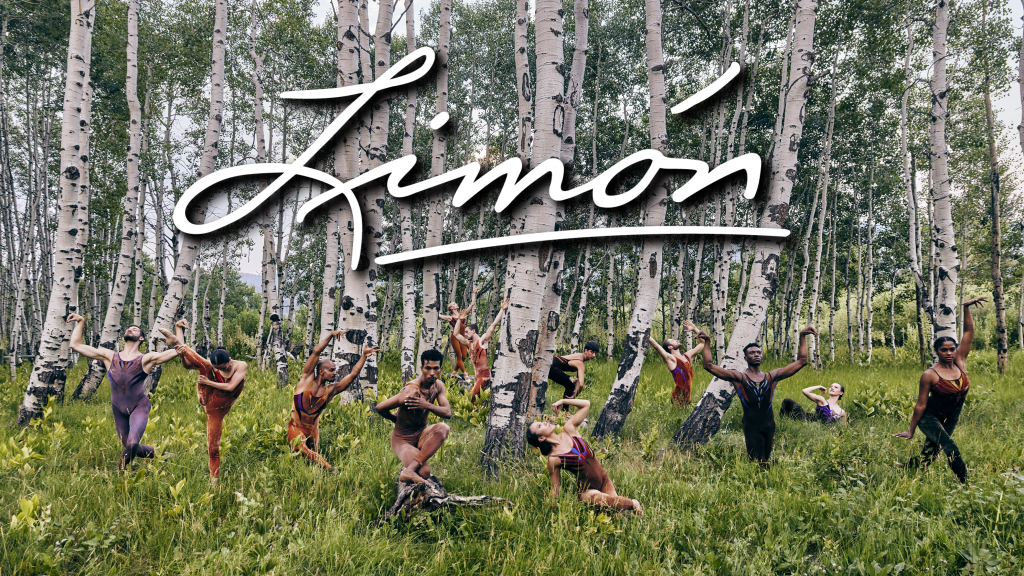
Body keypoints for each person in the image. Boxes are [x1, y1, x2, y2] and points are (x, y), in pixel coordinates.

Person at [66, 313, 180, 471]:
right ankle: (164, 455)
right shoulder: (109, 356)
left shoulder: (146, 359)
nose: (130, 330)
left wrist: (177, 333)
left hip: (138, 406)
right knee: (131, 446)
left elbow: (178, 351)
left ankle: (121, 469)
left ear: (141, 339)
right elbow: (75, 345)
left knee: (132, 444)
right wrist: (80, 321)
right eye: (129, 329)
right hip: (118, 408)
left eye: (135, 329)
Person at [893, 297, 985, 484]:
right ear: (937, 351)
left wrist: (966, 307)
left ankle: (909, 468)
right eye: (944, 350)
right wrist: (911, 431)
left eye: (952, 349)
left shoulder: (960, 362)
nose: (949, 353)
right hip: (929, 418)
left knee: (933, 450)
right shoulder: (930, 374)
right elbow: (921, 404)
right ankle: (965, 482)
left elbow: (969, 331)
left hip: (951, 416)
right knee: (949, 446)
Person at [695, 326, 817, 465]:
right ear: (745, 357)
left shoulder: (772, 377)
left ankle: (778, 462)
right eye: (752, 353)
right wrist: (707, 342)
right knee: (758, 463)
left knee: (764, 461)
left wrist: (802, 336)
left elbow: (802, 361)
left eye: (758, 352)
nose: (756, 354)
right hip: (751, 427)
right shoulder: (739, 378)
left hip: (769, 426)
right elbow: (709, 366)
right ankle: (780, 461)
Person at [160, 320, 247, 479]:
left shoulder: (240, 365)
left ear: (229, 360)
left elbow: (230, 387)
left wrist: (209, 382)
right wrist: (181, 357)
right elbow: (188, 366)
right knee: (204, 365)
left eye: (222, 367)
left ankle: (214, 481)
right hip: (206, 398)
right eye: (217, 368)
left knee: (213, 449)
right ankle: (178, 343)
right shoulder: (212, 366)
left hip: (218, 409)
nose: (220, 370)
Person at [527, 399, 642, 515]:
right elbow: (555, 489)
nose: (545, 422)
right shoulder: (554, 459)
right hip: (586, 490)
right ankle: (633, 503)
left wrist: (563, 401)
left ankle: (638, 514)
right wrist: (550, 513)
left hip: (604, 480)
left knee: (614, 510)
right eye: (540, 426)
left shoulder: (569, 429)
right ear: (541, 438)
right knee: (608, 502)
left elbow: (586, 404)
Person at [286, 329, 377, 471]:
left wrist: (364, 356)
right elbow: (316, 353)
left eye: (335, 370)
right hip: (295, 427)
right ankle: (330, 469)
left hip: (312, 430)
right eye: (332, 370)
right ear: (322, 372)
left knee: (310, 461)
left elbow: (353, 374)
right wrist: (330, 336)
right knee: (302, 450)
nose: (335, 373)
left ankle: (320, 470)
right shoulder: (306, 379)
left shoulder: (331, 391)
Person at [375, 349, 452, 483]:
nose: (432, 373)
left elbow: (447, 413)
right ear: (422, 368)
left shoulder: (438, 386)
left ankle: (409, 470)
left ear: (441, 369)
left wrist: (426, 405)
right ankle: (409, 470)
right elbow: (380, 407)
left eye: (436, 368)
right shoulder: (411, 391)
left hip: (421, 434)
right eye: (428, 368)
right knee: (425, 473)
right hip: (402, 440)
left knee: (443, 428)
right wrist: (395, 419)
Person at [453, 298, 509, 401]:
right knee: (479, 400)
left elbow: (493, 326)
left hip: (484, 374)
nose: (465, 334)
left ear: (473, 331)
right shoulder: (468, 343)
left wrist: (502, 310)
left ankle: (473, 416)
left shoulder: (482, 341)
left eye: (466, 332)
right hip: (476, 375)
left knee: (473, 397)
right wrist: (459, 320)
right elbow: (456, 334)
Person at [647, 320, 704, 405]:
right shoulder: (671, 359)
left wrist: (694, 329)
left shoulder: (687, 356)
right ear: (670, 347)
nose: (676, 340)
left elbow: (703, 343)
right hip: (678, 397)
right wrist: (645, 334)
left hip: (687, 398)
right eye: (673, 341)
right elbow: (656, 346)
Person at [439, 287, 478, 378]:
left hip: (462, 337)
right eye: (454, 304)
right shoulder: (450, 317)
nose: (456, 304)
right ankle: (465, 374)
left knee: (464, 356)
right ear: (452, 308)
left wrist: (474, 293)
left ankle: (454, 372)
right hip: (455, 337)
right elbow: (439, 315)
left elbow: (472, 304)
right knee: (459, 356)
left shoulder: (463, 314)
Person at [780, 384, 846, 424]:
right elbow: (805, 391)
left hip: (820, 428)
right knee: (787, 401)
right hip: (807, 420)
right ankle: (781, 422)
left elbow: (843, 429)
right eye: (831, 386)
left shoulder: (842, 412)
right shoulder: (822, 400)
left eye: (835, 387)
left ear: (841, 393)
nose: (832, 388)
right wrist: (819, 386)